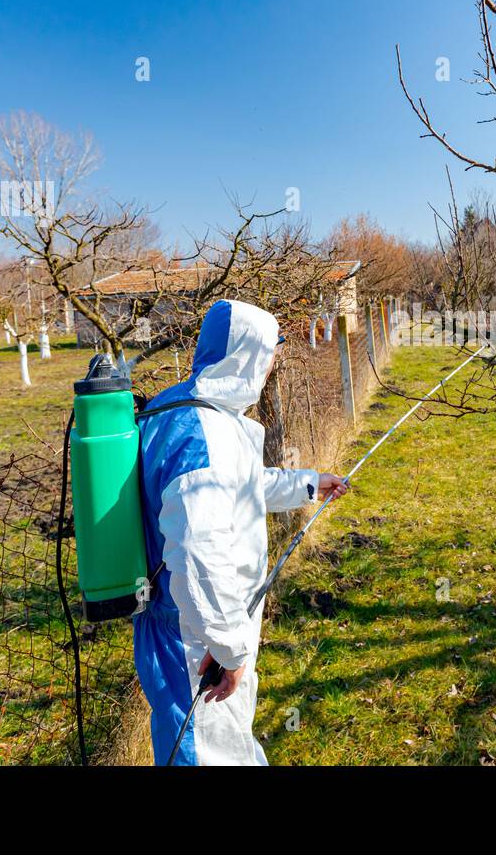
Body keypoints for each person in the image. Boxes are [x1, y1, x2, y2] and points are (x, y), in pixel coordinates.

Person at [133, 299, 349, 765]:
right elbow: (197, 553)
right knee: (210, 753)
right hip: (196, 638)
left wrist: (307, 484)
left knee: (226, 747)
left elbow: (240, 488)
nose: (272, 364)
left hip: (209, 626)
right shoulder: (199, 431)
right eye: (270, 353)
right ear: (249, 354)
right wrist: (229, 649)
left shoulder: (195, 410)